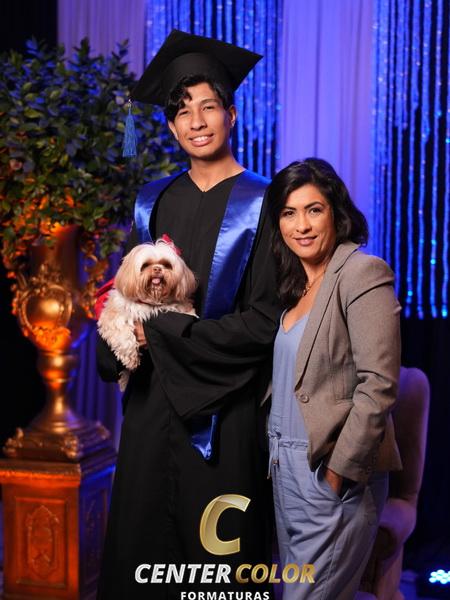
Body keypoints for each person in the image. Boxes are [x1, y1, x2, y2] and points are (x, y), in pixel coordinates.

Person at [96, 30, 280, 599]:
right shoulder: (152, 201)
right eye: (182, 111)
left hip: (226, 412)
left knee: (218, 568)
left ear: (231, 114)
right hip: (151, 411)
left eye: (208, 106)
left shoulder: (266, 202)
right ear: (172, 128)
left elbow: (266, 320)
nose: (197, 121)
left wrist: (162, 334)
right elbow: (123, 297)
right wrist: (120, 342)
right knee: (143, 554)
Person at [266, 158, 402, 600]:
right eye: (289, 213)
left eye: (314, 210)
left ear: (336, 213)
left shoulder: (362, 272)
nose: (301, 225)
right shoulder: (296, 286)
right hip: (284, 469)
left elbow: (379, 384)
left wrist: (339, 472)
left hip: (328, 470)